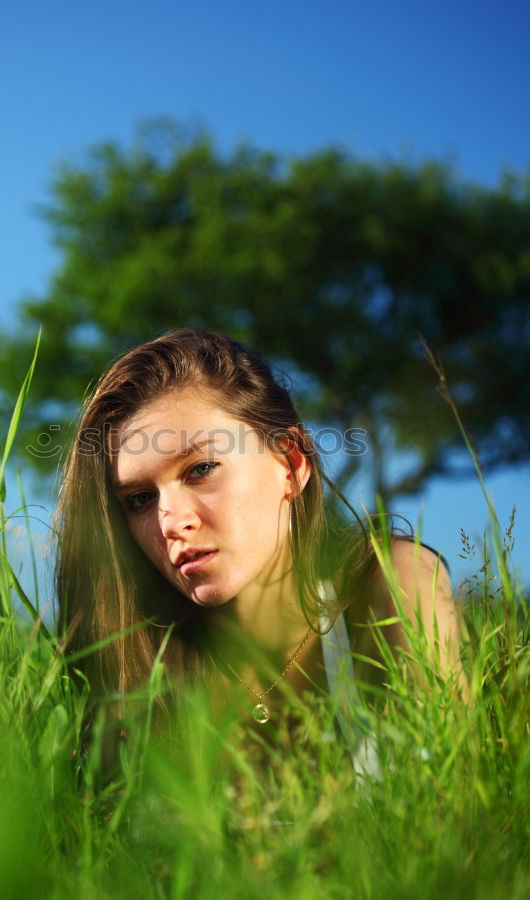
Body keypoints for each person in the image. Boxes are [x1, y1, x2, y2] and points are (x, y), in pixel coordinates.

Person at [56, 328, 464, 775]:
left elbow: (453, 799)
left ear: (290, 465)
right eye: (140, 500)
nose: (171, 522)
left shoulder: (391, 583)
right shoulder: (142, 669)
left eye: (201, 469)